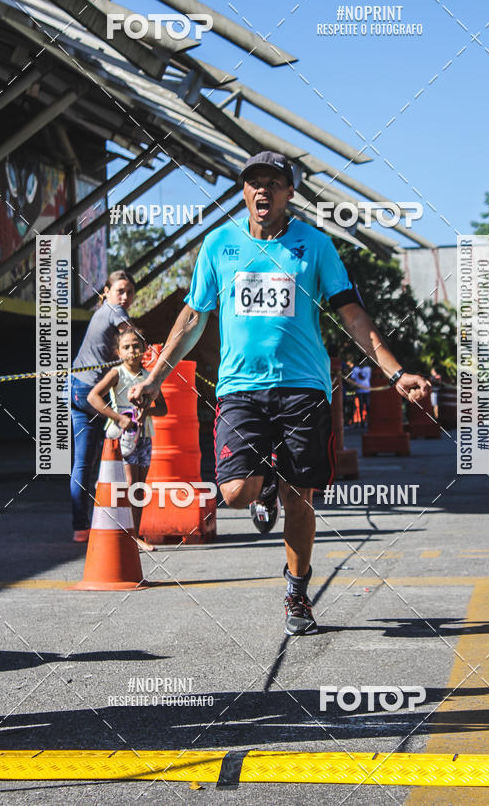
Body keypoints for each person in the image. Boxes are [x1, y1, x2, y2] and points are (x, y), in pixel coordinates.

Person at [129, 151, 430, 635]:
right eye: (253, 183)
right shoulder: (219, 244)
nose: (262, 190)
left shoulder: (315, 245)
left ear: (289, 193)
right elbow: (192, 316)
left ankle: (297, 592)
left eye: (273, 182)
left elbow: (351, 315)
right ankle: (262, 483)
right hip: (241, 389)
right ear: (244, 192)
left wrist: (395, 373)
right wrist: (153, 378)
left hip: (302, 389)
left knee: (301, 498)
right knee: (233, 493)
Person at [87, 326, 167, 551]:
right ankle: (126, 535)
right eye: (126, 347)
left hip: (145, 435)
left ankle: (136, 534)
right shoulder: (117, 373)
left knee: (139, 488)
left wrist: (148, 411)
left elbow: (163, 408)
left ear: (143, 348)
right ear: (118, 352)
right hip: (122, 436)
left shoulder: (148, 378)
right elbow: (93, 397)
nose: (132, 350)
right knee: (129, 485)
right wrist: (119, 418)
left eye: (136, 345)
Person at [70, 270, 135, 542]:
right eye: (120, 290)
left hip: (73, 387)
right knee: (123, 441)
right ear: (106, 292)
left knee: (84, 463)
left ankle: (80, 528)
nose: (125, 296)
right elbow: (131, 338)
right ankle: (123, 518)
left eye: (130, 292)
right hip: (89, 392)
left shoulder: (103, 311)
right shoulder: (113, 310)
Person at [349, 362, 372, 426]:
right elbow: (353, 379)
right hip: (360, 391)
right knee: (361, 406)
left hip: (366, 390)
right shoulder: (356, 369)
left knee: (367, 406)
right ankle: (362, 421)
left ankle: (367, 420)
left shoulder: (367, 369)